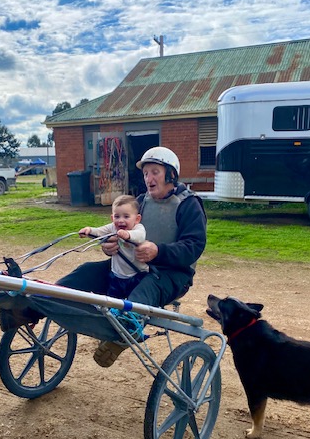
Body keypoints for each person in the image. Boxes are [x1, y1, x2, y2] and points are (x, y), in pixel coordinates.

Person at [57, 146, 207, 367]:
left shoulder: (188, 204)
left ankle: (123, 332)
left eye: (155, 171)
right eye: (146, 173)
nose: (148, 178)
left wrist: (158, 251)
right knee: (87, 270)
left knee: (146, 288)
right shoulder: (141, 202)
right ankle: (40, 302)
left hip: (173, 274)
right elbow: (117, 229)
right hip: (133, 265)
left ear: (171, 174)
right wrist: (108, 246)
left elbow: (194, 246)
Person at [78, 194, 149, 299]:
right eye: (117, 216)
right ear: (112, 217)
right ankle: (112, 312)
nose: (120, 220)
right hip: (116, 275)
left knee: (133, 303)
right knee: (113, 300)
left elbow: (140, 236)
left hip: (136, 275)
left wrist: (128, 235)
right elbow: (100, 232)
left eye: (126, 216)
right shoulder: (113, 228)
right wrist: (89, 231)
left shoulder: (137, 228)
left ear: (137, 219)